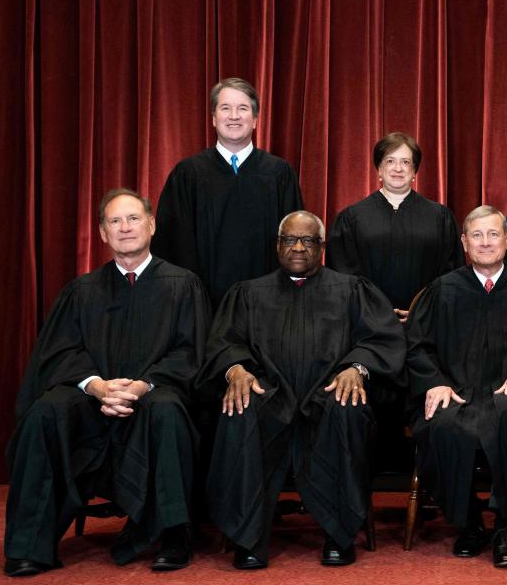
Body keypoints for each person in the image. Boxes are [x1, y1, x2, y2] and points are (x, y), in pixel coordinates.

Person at [3, 189, 210, 577]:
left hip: (152, 396)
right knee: (47, 411)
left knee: (168, 409)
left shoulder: (183, 286)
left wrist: (140, 386)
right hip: (91, 401)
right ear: (102, 233)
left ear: (152, 224)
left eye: (133, 218)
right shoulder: (82, 290)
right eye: (115, 221)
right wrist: (96, 386)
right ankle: (29, 544)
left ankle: (172, 537)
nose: (125, 227)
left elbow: (190, 354)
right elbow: (60, 352)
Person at [200, 211, 406, 570]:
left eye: (308, 240)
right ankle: (248, 537)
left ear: (322, 247)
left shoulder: (352, 290)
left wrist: (356, 369)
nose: (298, 247)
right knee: (240, 408)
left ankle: (339, 534)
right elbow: (223, 342)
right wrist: (235, 370)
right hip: (269, 395)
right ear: (277, 245)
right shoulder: (249, 293)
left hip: (327, 394)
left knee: (348, 408)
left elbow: (383, 339)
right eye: (290, 240)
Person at [406, 206, 507, 568]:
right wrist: (434, 383)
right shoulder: (444, 289)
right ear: (464, 242)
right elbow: (416, 346)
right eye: (476, 235)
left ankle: (506, 527)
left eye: (493, 234)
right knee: (445, 425)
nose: (485, 242)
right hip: (458, 393)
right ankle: (470, 522)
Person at [152, 77, 303, 310]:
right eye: (225, 108)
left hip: (267, 305)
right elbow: (169, 243)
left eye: (242, 108)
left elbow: (295, 241)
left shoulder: (279, 174)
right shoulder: (188, 174)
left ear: (255, 119)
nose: (234, 116)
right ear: (214, 118)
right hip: (200, 306)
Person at [327, 131, 464, 320]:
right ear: (379, 170)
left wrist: (421, 311)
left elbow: (450, 275)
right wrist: (375, 311)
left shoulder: (439, 218)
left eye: (406, 162)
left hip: (426, 323)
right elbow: (343, 276)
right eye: (390, 161)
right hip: (368, 324)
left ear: (415, 171)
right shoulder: (352, 218)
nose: (398, 168)